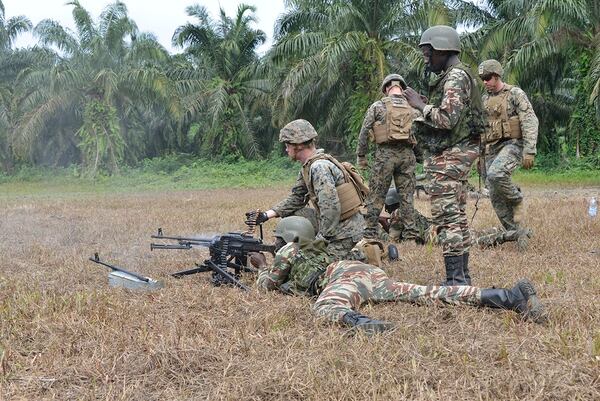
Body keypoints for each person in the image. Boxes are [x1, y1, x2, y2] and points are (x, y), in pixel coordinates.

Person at [251, 216, 546, 335]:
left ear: (286, 236)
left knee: (326, 307)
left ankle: (365, 324)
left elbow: (269, 285)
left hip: (343, 279)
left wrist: (260, 266)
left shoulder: (288, 251)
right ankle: (510, 297)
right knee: (429, 292)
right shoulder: (318, 244)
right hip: (369, 272)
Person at [403, 25, 485, 286]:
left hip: (452, 154)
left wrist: (420, 105)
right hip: (458, 151)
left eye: (428, 54)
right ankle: (462, 277)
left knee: (446, 217)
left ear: (442, 50)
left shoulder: (455, 77)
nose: (426, 60)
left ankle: (456, 281)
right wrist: (429, 104)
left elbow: (447, 119)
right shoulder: (456, 76)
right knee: (456, 215)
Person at [247, 119, 365, 260]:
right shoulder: (308, 166)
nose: (286, 149)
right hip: (335, 224)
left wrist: (319, 243)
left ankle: (358, 254)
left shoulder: (319, 167)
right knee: (294, 214)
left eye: (287, 144)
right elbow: (297, 198)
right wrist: (267, 215)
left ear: (298, 145)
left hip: (346, 231)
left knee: (312, 269)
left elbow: (331, 209)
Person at [356, 74, 421, 241]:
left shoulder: (378, 106)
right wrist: (419, 155)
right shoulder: (412, 108)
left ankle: (370, 232)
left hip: (385, 155)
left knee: (377, 195)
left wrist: (361, 155)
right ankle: (411, 235)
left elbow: (364, 131)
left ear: (386, 89)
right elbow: (418, 134)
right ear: (402, 88)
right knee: (407, 197)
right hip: (407, 156)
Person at [478, 59, 538, 237]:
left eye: (488, 78)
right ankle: (515, 232)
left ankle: (516, 199)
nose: (485, 82)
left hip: (513, 144)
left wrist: (529, 150)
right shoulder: (484, 99)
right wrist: (480, 156)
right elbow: (482, 128)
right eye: (482, 78)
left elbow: (529, 120)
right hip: (492, 147)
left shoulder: (515, 94)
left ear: (497, 76)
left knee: (496, 173)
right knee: (494, 194)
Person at [381, 188, 532, 256]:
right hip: (440, 228)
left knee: (475, 242)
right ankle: (503, 230)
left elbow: (392, 240)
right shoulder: (408, 210)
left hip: (437, 236)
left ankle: (513, 235)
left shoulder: (397, 214)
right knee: (474, 234)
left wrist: (380, 229)